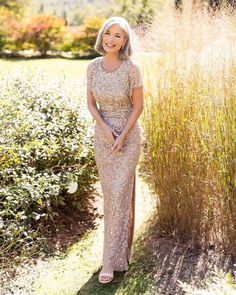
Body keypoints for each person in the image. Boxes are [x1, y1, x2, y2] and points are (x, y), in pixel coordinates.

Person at [86, 16, 144, 284]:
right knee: (111, 196)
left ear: (125, 41)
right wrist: (107, 131)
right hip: (103, 138)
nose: (111, 38)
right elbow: (91, 105)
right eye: (108, 33)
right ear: (102, 35)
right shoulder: (92, 67)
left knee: (120, 191)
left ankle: (110, 260)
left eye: (118, 35)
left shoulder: (132, 68)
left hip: (128, 138)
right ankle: (117, 255)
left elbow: (138, 107)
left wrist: (123, 135)